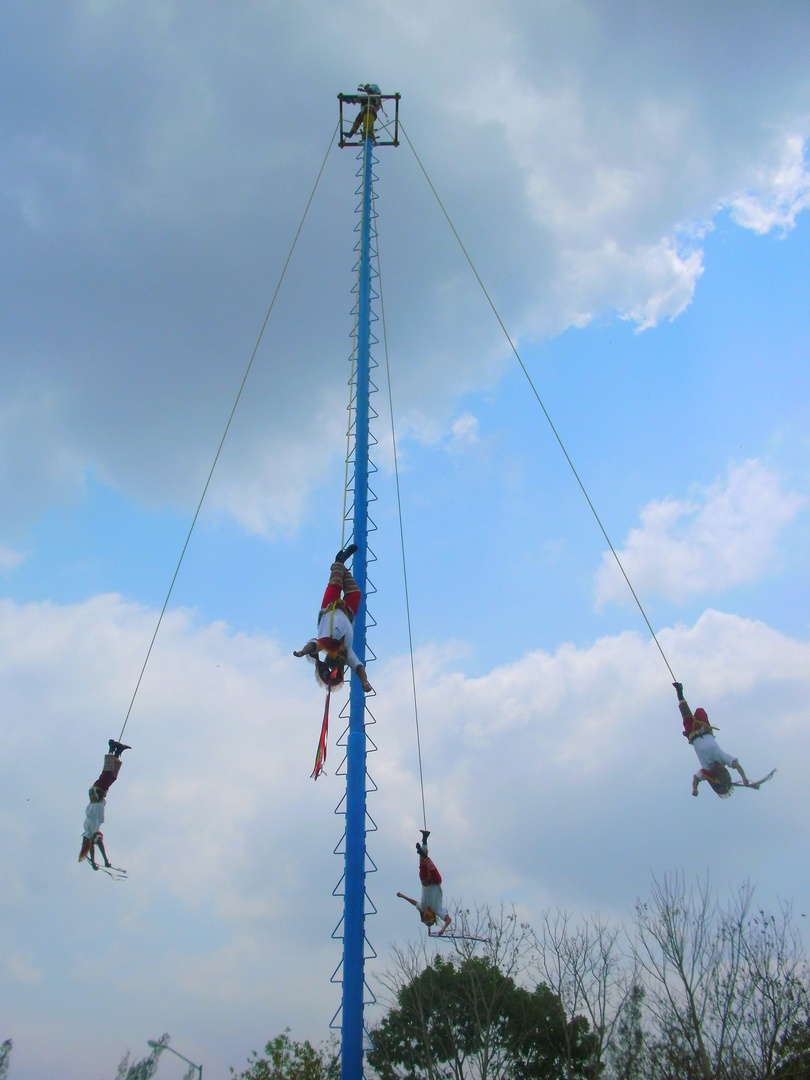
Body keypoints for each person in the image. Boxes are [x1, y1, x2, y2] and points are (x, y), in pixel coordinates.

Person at [294, 546, 373, 694]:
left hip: (329, 607)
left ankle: (337, 564)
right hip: (347, 611)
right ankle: (342, 564)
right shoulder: (347, 653)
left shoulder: (326, 643)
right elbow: (359, 667)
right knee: (355, 592)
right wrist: (364, 682)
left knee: (335, 582)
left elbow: (312, 646)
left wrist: (302, 652)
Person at [673, 682, 749, 797]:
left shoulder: (706, 770)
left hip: (692, 733)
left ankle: (679, 691)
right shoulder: (723, 758)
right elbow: (737, 765)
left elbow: (696, 779)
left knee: (685, 713)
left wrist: (695, 789)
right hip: (704, 728)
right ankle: (680, 693)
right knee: (700, 711)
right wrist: (744, 778)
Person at [78, 740, 130, 869]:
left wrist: (100, 861)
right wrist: (100, 861)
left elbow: (94, 846)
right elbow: (96, 845)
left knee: (106, 774)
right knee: (112, 777)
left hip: (96, 794)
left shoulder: (89, 831)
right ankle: (118, 752)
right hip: (100, 794)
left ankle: (111, 748)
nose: (101, 839)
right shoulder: (94, 828)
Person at [397, 830, 452, 935]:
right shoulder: (438, 911)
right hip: (436, 881)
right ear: (433, 916)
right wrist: (443, 929)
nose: (426, 915)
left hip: (426, 881)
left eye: (425, 917)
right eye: (429, 917)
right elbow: (448, 920)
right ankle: (423, 853)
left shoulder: (422, 907)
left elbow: (414, 902)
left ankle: (425, 840)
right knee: (426, 861)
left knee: (423, 872)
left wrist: (403, 896)